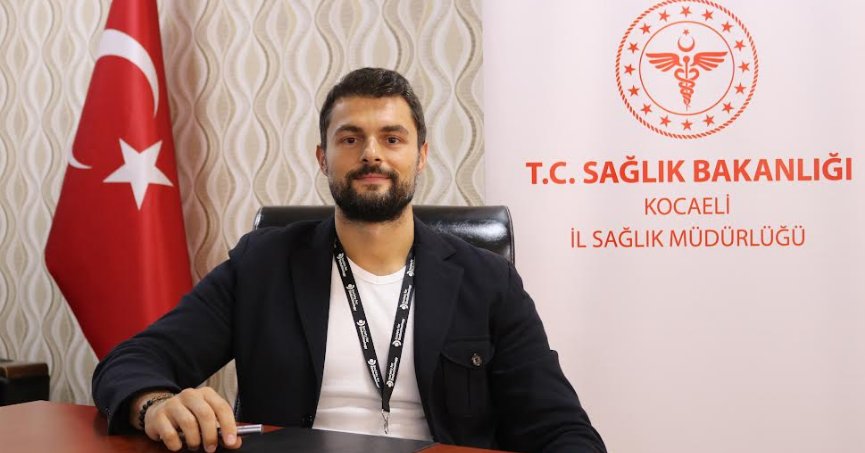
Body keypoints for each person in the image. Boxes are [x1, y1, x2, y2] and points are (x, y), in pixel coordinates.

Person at [92, 67, 606, 453]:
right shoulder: (262, 264)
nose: (371, 154)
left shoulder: (488, 281)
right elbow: (132, 361)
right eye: (350, 138)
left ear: (422, 156)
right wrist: (155, 403)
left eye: (392, 138)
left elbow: (558, 426)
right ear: (323, 158)